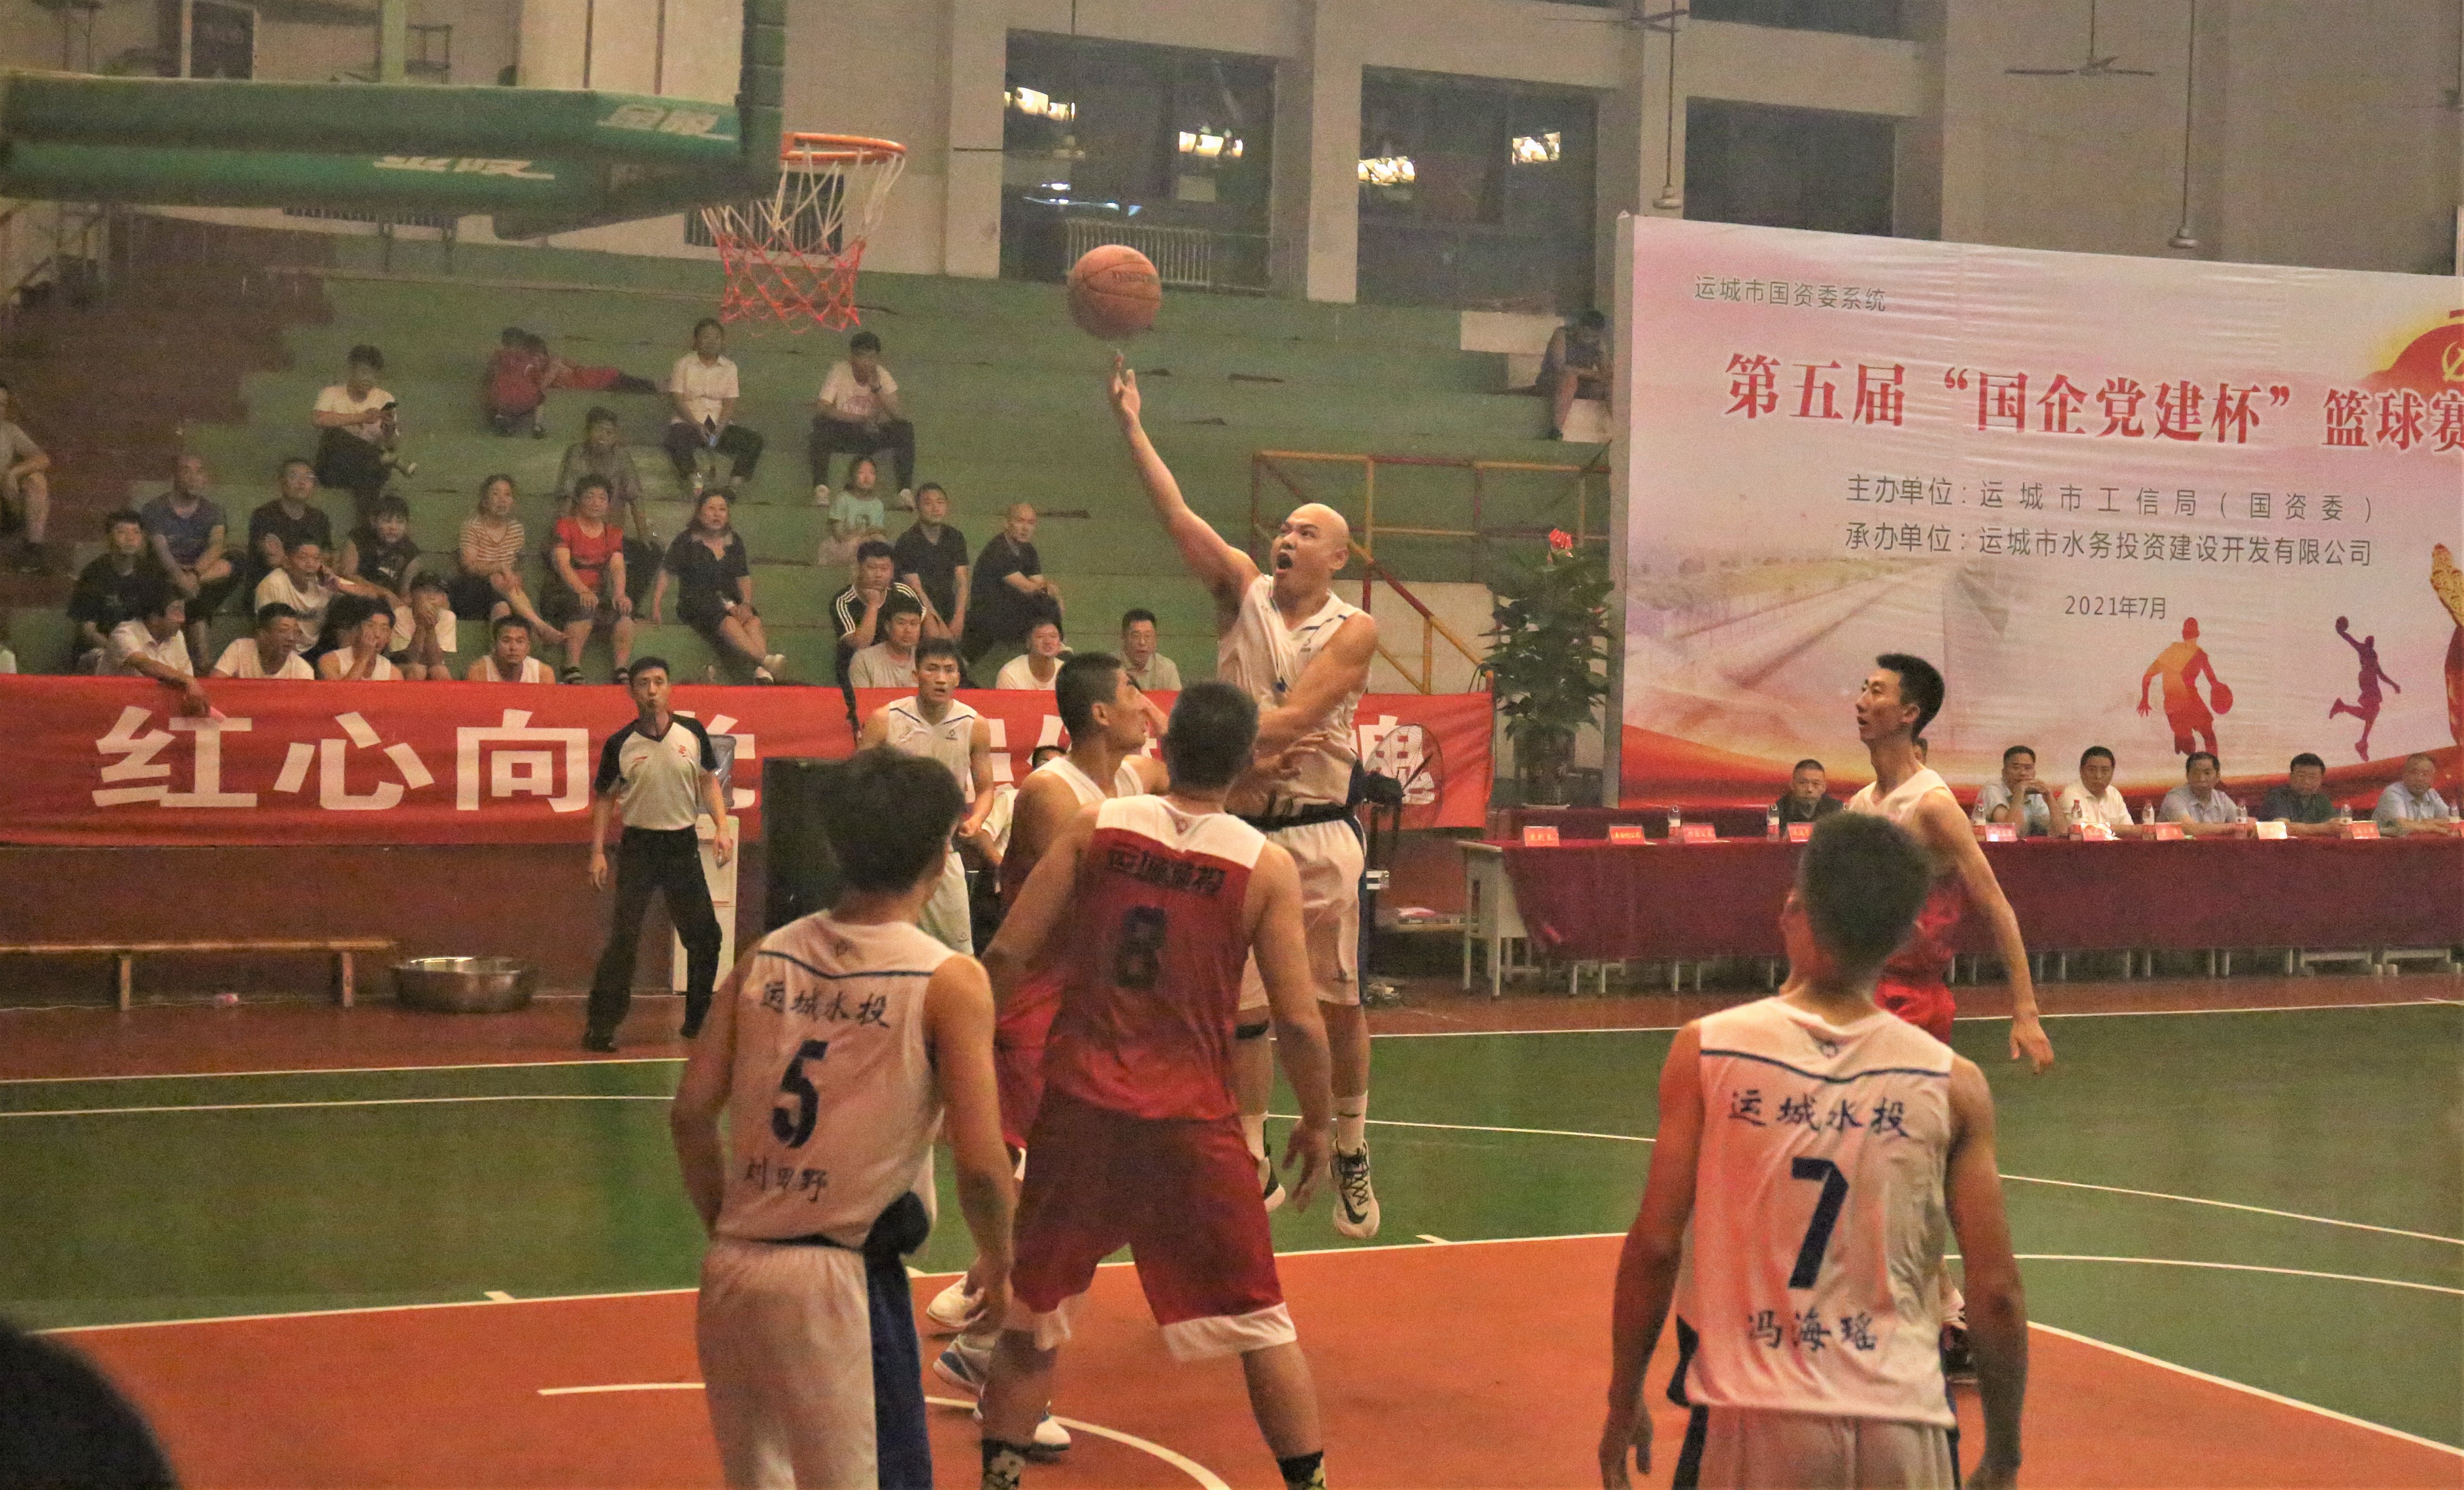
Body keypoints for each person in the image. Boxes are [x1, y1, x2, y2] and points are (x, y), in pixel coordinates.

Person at [973, 681, 1337, 1490]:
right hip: (1189, 1121)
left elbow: (1005, 954)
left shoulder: (1095, 826)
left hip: (1079, 1108)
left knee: (1032, 1318)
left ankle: (999, 1478)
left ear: (1162, 749)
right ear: (1245, 762)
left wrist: (959, 1059)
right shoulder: (1262, 864)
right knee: (1261, 1322)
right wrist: (1321, 1122)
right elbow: (1299, 1020)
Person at [1598, 812, 2029, 1490]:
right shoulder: (1953, 1084)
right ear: (1907, 934)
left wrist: (1623, 1398)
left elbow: (1655, 1246)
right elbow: (1995, 1291)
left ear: (1792, 910)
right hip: (1903, 1419)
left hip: (1752, 1417)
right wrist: (2002, 1453)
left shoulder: (1707, 1051)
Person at [670, 746, 1015, 1490]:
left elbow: (690, 1114)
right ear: (941, 852)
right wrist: (1000, 1260)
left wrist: (730, 1223)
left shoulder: (763, 956)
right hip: (841, 1283)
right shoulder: (948, 978)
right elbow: (982, 1161)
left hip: (733, 1270)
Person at [1110, 357, 1385, 1237]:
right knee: (1245, 1012)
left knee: (1337, 1004)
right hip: (1242, 828)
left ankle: (1351, 1143)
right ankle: (1252, 1152)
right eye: (1285, 528)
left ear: (1337, 557)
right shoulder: (1240, 590)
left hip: (1320, 831)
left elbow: (1294, 719)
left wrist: (1225, 734)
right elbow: (1176, 515)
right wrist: (1132, 426)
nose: (1287, 538)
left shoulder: (1354, 628)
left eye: (1307, 532)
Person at [926, 653, 1165, 1362]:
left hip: (1086, 997)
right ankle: (989, 1340)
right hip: (1035, 997)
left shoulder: (1131, 777)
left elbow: (1203, 771)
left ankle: (984, 1282)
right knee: (1070, 1174)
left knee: (1064, 1173)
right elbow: (1108, 886)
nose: (1144, 702)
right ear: (1099, 712)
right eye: (1131, 691)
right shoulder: (1049, 791)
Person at [584, 658, 732, 1052]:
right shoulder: (620, 744)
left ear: (669, 688)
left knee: (706, 937)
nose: (652, 690)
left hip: (681, 846)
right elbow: (604, 798)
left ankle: (697, 1022)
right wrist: (597, 852)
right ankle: (601, 1027)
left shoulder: (692, 732)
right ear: (632, 691)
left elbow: (707, 781)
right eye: (644, 683)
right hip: (639, 848)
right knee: (624, 939)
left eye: (659, 682)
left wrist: (721, 826)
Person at [857, 638, 998, 954]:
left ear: (959, 677)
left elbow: (987, 788)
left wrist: (976, 819)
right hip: (891, 852)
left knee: (958, 954)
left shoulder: (974, 725)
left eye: (949, 670)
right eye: (932, 669)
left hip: (944, 850)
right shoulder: (885, 719)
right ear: (915, 673)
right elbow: (858, 781)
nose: (941, 678)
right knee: (881, 949)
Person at [654, 490, 786, 683]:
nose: (717, 514)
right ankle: (765, 660)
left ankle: (761, 672)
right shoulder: (686, 540)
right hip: (696, 602)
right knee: (729, 621)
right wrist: (657, 603)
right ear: (699, 513)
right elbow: (667, 572)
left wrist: (746, 604)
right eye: (711, 509)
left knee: (752, 621)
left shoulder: (734, 541)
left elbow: (743, 576)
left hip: (729, 601)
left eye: (722, 510)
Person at [141, 454, 242, 668]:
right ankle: (203, 663)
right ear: (175, 475)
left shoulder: (213, 510)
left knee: (238, 559)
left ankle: (189, 590)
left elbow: (217, 545)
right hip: (167, 574)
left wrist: (194, 576)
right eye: (187, 471)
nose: (193, 477)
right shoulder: (155, 508)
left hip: (200, 573)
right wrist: (179, 576)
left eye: (199, 472)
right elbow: (161, 550)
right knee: (191, 598)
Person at [559, 406, 659, 612]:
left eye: (609, 433)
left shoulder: (622, 457)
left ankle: (627, 606)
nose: (603, 438)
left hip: (612, 536)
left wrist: (643, 535)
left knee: (650, 552)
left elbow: (635, 498)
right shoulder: (576, 454)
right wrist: (561, 532)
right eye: (598, 431)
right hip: (580, 535)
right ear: (587, 432)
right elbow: (567, 496)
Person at [544, 476, 636, 685]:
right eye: (590, 497)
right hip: (563, 592)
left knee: (624, 613)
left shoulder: (612, 532)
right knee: (584, 607)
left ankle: (621, 669)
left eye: (602, 498)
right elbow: (563, 565)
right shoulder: (565, 526)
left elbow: (617, 566)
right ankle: (571, 666)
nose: (596, 503)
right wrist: (582, 591)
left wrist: (620, 594)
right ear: (579, 500)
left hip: (598, 593)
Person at [810, 329, 917, 506]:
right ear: (852, 357)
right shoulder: (839, 370)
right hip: (847, 431)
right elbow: (823, 408)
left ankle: (904, 493)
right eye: (862, 356)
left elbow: (898, 414)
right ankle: (821, 489)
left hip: (872, 434)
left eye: (871, 358)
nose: (867, 363)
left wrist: (877, 389)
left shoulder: (882, 374)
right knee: (821, 425)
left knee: (905, 429)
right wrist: (860, 420)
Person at [454, 474, 563, 646]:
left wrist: (515, 575)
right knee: (497, 580)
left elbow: (517, 565)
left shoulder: (516, 529)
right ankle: (539, 626)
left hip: (504, 592)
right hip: (472, 590)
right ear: (485, 501)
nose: (502, 500)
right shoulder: (472, 527)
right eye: (496, 494)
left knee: (502, 607)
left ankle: (500, 655)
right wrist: (501, 567)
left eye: (508, 494)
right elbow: (469, 567)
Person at [312, 343, 414, 514]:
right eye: (364, 372)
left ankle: (366, 530)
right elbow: (317, 420)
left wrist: (389, 429)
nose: (369, 379)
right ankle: (382, 458)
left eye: (374, 375)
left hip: (368, 469)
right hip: (335, 468)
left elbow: (392, 446)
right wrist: (362, 418)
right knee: (335, 434)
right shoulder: (332, 393)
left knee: (371, 471)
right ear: (351, 371)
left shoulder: (385, 398)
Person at [664, 319, 764, 494]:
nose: (712, 342)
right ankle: (696, 483)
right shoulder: (683, 365)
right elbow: (677, 399)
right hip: (690, 424)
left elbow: (730, 402)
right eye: (706, 337)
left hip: (717, 427)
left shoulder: (730, 367)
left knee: (754, 441)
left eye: (716, 338)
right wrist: (696, 425)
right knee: (676, 439)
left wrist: (719, 429)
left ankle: (733, 486)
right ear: (696, 340)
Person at [963, 504, 1063, 669]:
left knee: (1048, 603)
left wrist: (1055, 596)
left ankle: (1056, 644)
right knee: (1046, 602)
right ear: (1007, 523)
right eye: (1020, 521)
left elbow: (1039, 584)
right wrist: (1051, 591)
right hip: (988, 616)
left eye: (1030, 523)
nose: (1025, 528)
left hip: (1011, 611)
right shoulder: (998, 550)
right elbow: (1027, 587)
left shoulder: (1029, 550)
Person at [68, 510, 163, 674]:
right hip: (101, 649)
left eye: (136, 532)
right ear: (109, 538)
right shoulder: (93, 574)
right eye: (122, 532)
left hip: (140, 649)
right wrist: (122, 651)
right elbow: (88, 631)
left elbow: (156, 623)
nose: (130, 538)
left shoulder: (151, 574)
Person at [833, 540, 925, 688]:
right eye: (872, 568)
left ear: (892, 570)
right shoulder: (844, 601)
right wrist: (873, 604)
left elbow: (924, 629)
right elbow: (861, 644)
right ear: (859, 568)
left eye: (884, 568)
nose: (878, 575)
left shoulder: (903, 592)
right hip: (860, 669)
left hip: (902, 663)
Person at [2137, 617, 2229, 758]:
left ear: (2183, 634)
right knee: (2208, 736)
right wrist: (2221, 692)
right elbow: (2213, 682)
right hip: (2188, 701)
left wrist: (2145, 699)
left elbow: (2147, 676)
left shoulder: (2170, 652)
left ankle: (2182, 738)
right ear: (2198, 634)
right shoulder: (2199, 655)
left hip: (2173, 705)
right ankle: (2211, 766)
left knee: (2190, 746)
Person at [108, 588, 209, 715]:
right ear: (154, 617)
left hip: (158, 712)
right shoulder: (124, 633)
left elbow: (185, 680)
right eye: (176, 611)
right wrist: (188, 680)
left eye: (182, 611)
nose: (182, 619)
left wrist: (189, 682)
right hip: (117, 712)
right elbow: (143, 663)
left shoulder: (177, 637)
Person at [893, 484, 970, 642]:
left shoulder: (955, 537)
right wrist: (940, 624)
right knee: (934, 634)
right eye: (928, 503)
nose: (935, 508)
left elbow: (962, 582)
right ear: (918, 508)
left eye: (940, 502)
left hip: (947, 603)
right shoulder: (907, 541)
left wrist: (959, 618)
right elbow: (916, 589)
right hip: (917, 605)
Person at [247, 458, 334, 589]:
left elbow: (327, 556)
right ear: (282, 482)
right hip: (272, 589)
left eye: (309, 477)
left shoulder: (319, 518)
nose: (302, 482)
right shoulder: (264, 515)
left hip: (310, 587)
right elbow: (274, 560)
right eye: (294, 476)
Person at [2329, 616, 2402, 761]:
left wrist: (2394, 685)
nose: (2371, 640)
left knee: (2372, 712)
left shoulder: (2374, 657)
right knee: (2372, 710)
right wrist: (2341, 631)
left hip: (2371, 680)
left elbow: (2381, 675)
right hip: (2367, 678)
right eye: (2369, 639)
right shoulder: (2363, 649)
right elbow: (2350, 640)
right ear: (2367, 642)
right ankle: (2345, 712)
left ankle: (2362, 741)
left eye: (2372, 640)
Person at [0, 379, 54, 573]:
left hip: (6, 504)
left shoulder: (8, 430)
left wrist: (12, 473)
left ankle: (34, 548)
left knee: (36, 481)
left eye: (2, 404)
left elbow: (42, 459)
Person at [1541, 308, 1610, 442]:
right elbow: (1560, 367)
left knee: (1611, 386)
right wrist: (1590, 374)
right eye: (1586, 335)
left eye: (1593, 337)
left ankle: (1621, 429)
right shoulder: (1562, 334)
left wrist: (1603, 361)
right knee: (1570, 379)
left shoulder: (1599, 341)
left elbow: (1605, 373)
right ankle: (1555, 431)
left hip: (1582, 384)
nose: (1589, 340)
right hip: (1554, 381)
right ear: (1580, 327)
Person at [211, 602, 314, 680]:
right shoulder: (239, 649)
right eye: (283, 631)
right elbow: (215, 686)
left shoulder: (302, 670)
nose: (291, 638)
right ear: (261, 634)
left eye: (296, 632)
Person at [821, 456, 890, 568]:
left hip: (868, 546)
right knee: (857, 545)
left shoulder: (878, 504)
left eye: (872, 473)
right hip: (845, 547)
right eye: (861, 473)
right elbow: (839, 535)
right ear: (852, 476)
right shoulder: (842, 499)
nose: (867, 478)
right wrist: (861, 536)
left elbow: (878, 531)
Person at [1973, 745, 2056, 836]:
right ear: (2004, 772)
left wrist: (2049, 796)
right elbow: (2010, 832)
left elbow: (2061, 832)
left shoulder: (2034, 793)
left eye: (2028, 768)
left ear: (2034, 772)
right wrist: (2020, 791)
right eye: (2016, 768)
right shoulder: (1992, 790)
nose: (2023, 773)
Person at [2159, 751, 2247, 835]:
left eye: (2207, 773)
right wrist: (2236, 826)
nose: (2201, 778)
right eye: (2196, 773)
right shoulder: (2175, 798)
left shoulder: (2222, 799)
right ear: (2187, 776)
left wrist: (2249, 826)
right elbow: (2190, 829)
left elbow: (2243, 821)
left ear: (2218, 777)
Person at [485, 326, 551, 436]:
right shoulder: (528, 358)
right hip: (524, 400)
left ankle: (500, 416)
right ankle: (537, 426)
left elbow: (490, 373)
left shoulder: (498, 355)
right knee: (540, 397)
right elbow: (538, 379)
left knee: (496, 389)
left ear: (504, 342)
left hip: (501, 399)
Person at [2056, 746, 2137, 836]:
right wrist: (2121, 830)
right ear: (2081, 771)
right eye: (2092, 770)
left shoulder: (2114, 794)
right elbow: (2083, 831)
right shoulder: (2071, 795)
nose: (2098, 776)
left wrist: (2127, 830)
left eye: (2105, 771)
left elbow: (2130, 830)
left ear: (2113, 772)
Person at [316, 597, 401, 680]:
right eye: (370, 626)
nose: (377, 634)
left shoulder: (393, 672)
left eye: (384, 629)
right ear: (357, 629)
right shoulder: (330, 661)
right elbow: (342, 690)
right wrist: (364, 658)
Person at [2374, 753, 2456, 836]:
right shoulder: (2393, 792)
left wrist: (2430, 822)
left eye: (2425, 774)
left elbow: (2454, 822)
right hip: (2388, 844)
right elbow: (2403, 826)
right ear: (2404, 774)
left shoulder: (2432, 795)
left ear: (2433, 778)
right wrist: (2434, 828)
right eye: (2414, 773)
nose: (2419, 778)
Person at [2259, 753, 2340, 836]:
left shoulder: (2322, 800)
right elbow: (2281, 828)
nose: (2306, 782)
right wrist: (2325, 828)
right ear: (2291, 777)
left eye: (2313, 777)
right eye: (2301, 776)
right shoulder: (2277, 795)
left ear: (2321, 780)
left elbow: (2336, 826)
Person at [849, 607, 926, 691]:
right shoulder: (864, 659)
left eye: (914, 624)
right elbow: (860, 698)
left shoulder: (926, 659)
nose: (908, 630)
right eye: (901, 623)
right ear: (888, 626)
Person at [466, 614, 556, 683]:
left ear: (528, 647)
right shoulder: (479, 671)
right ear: (495, 645)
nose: (513, 648)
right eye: (506, 641)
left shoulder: (543, 673)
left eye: (520, 641)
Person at [1119, 608, 1182, 692]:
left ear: (1155, 638)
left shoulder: (1167, 668)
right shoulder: (1109, 669)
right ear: (1124, 637)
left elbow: (1175, 700)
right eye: (1136, 636)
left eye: (1148, 636)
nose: (1142, 642)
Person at [995, 618, 1068, 690]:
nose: (1048, 642)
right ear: (1029, 643)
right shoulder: (1011, 674)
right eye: (1040, 636)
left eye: (1053, 636)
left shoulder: (1067, 673)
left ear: (1060, 643)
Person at [1773, 759, 1839, 827]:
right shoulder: (1778, 811)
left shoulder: (1837, 810)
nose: (1809, 790)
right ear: (1792, 785)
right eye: (1803, 783)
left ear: (1824, 787)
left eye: (1816, 784)